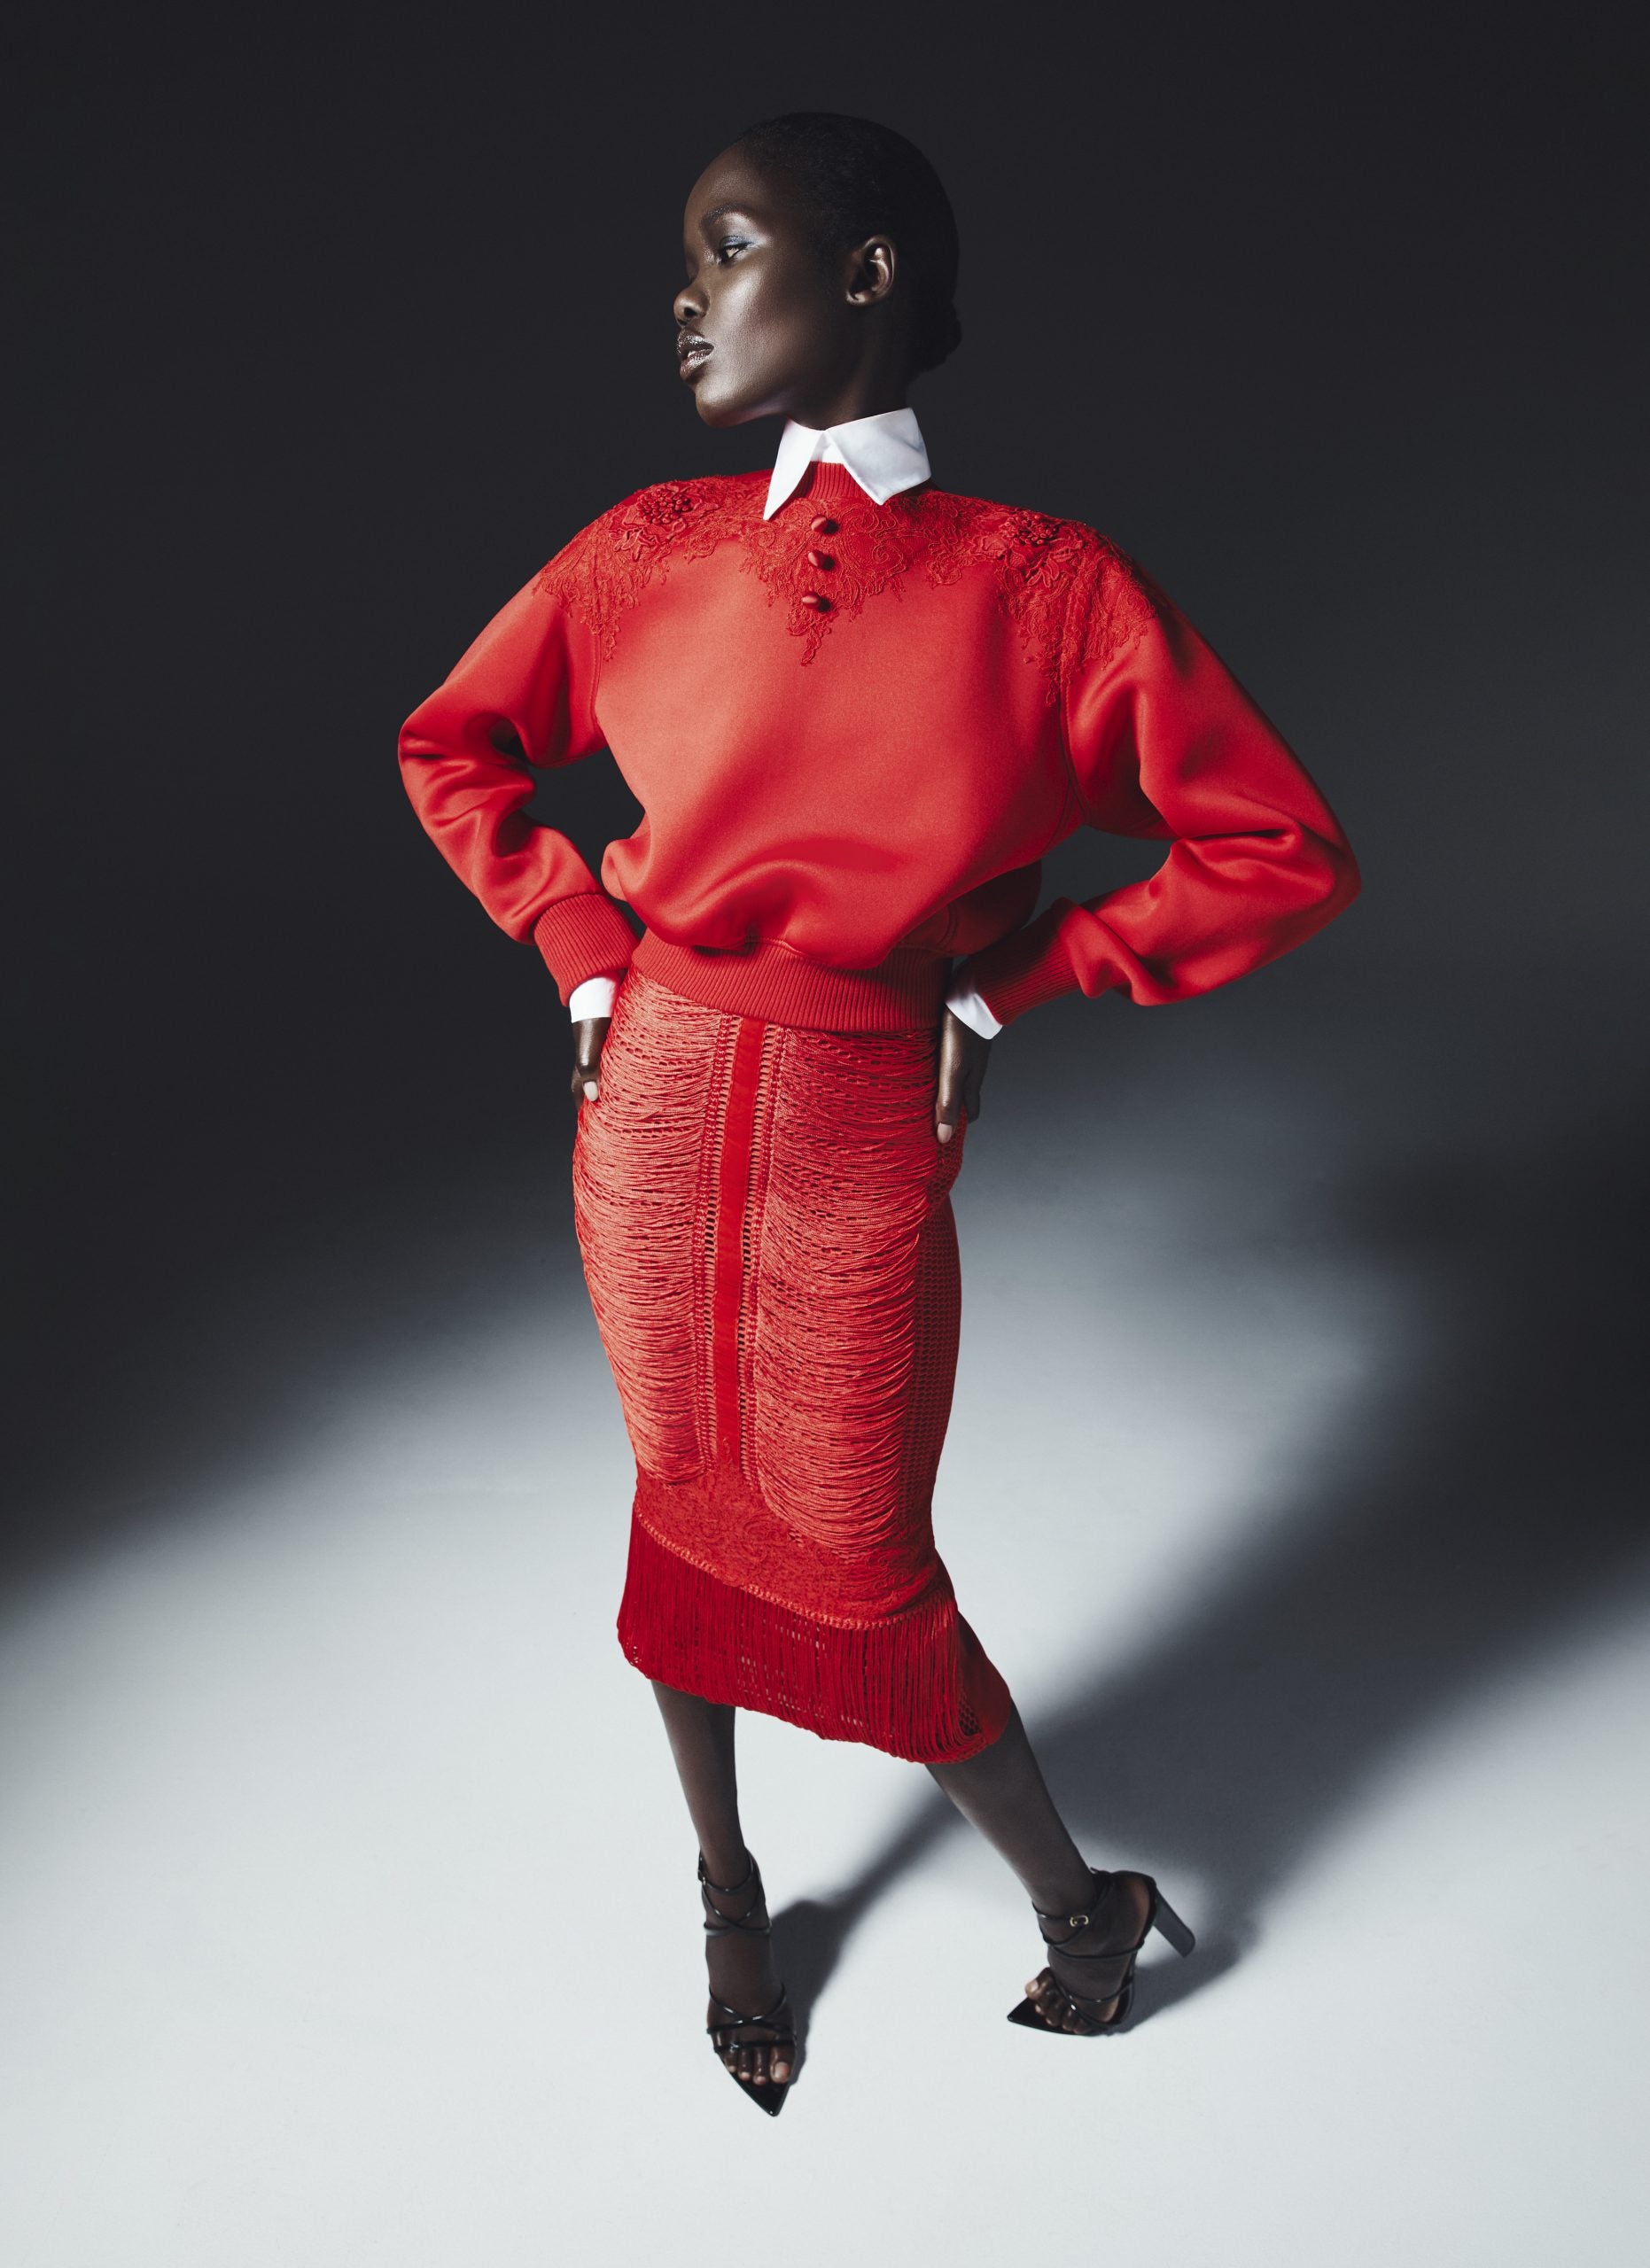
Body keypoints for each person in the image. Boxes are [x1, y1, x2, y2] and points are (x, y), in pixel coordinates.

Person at [396, 111, 1360, 2115]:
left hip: (853, 1124)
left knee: (858, 1557)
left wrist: (1025, 976)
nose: (683, 295)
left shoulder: (1045, 586)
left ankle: (1079, 1905)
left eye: (725, 246)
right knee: (675, 1494)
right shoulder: (645, 547)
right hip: (648, 1110)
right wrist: (578, 942)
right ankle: (729, 1890)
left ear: (866, 274)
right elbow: (455, 742)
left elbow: (1275, 844)